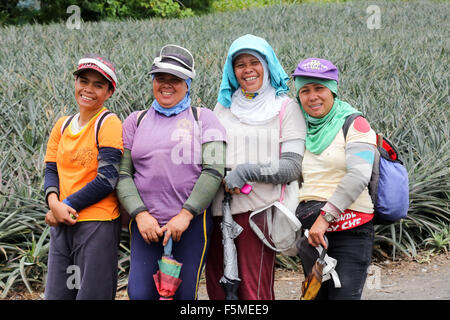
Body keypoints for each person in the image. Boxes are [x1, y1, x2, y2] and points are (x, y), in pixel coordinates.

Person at [117, 44, 227, 300]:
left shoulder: (205, 119)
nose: (166, 85)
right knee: (140, 294)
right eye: (160, 78)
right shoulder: (135, 121)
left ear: (188, 83)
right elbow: (122, 174)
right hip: (145, 227)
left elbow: (213, 171)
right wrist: (140, 214)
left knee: (182, 296)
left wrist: (186, 215)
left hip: (191, 226)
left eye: (175, 79)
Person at [205, 34, 307, 300]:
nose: (247, 69)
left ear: (267, 64)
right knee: (219, 288)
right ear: (232, 70)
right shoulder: (224, 107)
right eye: (240, 64)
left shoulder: (285, 107)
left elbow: (292, 167)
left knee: (254, 290)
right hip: (219, 211)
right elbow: (212, 153)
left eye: (254, 62)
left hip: (258, 215)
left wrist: (245, 172)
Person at [292, 58, 377, 300]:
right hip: (313, 235)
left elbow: (359, 175)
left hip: (351, 229)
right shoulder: (299, 127)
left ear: (333, 90)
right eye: (305, 90)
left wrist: (325, 217)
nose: (312, 97)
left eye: (319, 88)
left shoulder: (355, 123)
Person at [43, 54, 123, 299]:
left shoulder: (108, 123)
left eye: (98, 85)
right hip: (63, 223)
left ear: (109, 92)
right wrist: (54, 203)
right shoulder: (63, 125)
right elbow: (51, 170)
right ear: (75, 83)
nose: (88, 90)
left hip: (96, 223)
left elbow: (107, 179)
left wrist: (64, 206)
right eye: (84, 81)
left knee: (91, 294)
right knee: (58, 293)